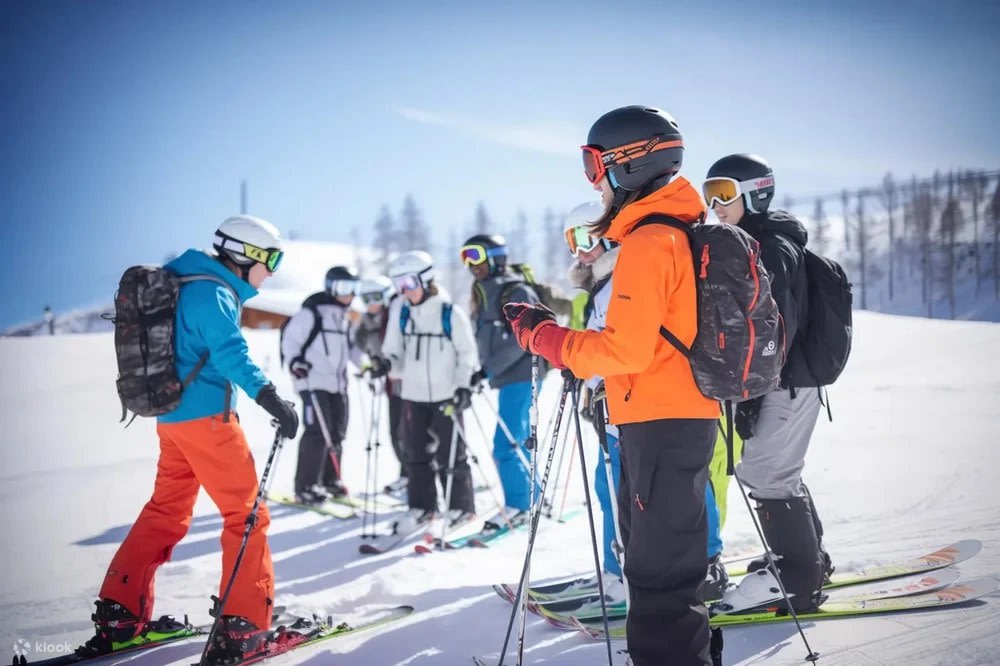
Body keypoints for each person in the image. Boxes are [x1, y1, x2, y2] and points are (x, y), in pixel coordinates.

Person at [504, 105, 719, 666]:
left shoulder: (651, 240)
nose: (593, 178)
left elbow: (624, 348)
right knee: (657, 563)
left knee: (659, 571)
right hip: (662, 412)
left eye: (593, 162)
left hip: (661, 417)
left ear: (630, 163)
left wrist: (546, 339)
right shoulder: (669, 231)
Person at [86, 215, 299, 662]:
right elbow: (230, 353)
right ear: (247, 255)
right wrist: (271, 398)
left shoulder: (185, 281)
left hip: (173, 421)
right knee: (247, 517)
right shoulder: (214, 292)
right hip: (209, 423)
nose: (273, 271)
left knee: (165, 511)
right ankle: (243, 627)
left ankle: (120, 614)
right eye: (272, 259)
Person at [566, 201, 734, 603]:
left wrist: (586, 365)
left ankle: (706, 560)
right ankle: (617, 567)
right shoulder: (598, 289)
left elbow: (622, 346)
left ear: (607, 234)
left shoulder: (628, 274)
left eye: (586, 238)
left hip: (649, 403)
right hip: (613, 404)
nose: (580, 251)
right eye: (572, 241)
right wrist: (582, 375)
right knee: (612, 489)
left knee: (675, 489)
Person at [703, 153, 833, 611]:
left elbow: (776, 325)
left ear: (754, 192)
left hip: (786, 381)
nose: (714, 204)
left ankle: (796, 579)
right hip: (785, 381)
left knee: (766, 472)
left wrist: (757, 388)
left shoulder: (771, 247)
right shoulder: (756, 240)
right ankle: (808, 561)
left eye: (723, 192)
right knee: (775, 470)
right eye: (709, 194)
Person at [372, 251, 479, 532]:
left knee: (451, 453)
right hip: (413, 395)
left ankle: (461, 507)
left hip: (446, 395)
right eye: (397, 285)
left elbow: (467, 355)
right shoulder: (402, 313)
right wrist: (384, 364)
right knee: (415, 454)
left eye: (407, 283)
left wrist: (462, 387)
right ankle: (422, 507)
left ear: (426, 279)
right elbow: (394, 353)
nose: (403, 291)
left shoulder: (450, 313)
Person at [461, 233, 538, 526]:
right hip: (506, 376)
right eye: (465, 257)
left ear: (496, 256)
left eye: (476, 255)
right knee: (514, 440)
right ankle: (533, 496)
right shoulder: (483, 290)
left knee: (506, 444)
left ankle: (520, 505)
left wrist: (491, 367)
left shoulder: (515, 291)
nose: (471, 264)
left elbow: (524, 338)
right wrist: (483, 369)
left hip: (521, 374)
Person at [280, 265, 363, 504]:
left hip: (338, 384)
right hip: (313, 382)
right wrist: (295, 361)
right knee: (317, 432)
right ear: (330, 287)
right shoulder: (311, 313)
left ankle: (330, 480)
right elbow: (291, 340)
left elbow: (352, 350)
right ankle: (306, 486)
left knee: (337, 432)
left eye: (353, 288)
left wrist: (367, 365)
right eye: (345, 288)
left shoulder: (344, 318)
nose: (350, 294)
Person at [354, 275, 408, 494]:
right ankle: (406, 474)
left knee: (411, 433)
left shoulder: (395, 316)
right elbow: (360, 346)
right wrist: (371, 365)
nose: (371, 304)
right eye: (366, 299)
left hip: (409, 381)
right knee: (396, 432)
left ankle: (418, 476)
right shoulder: (366, 323)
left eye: (375, 297)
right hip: (390, 384)